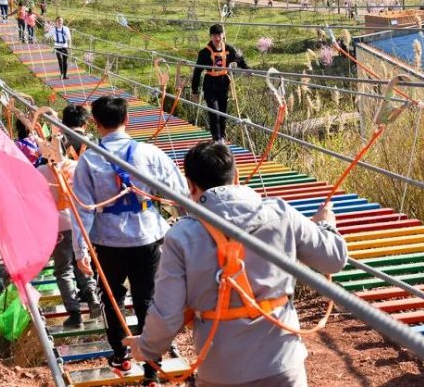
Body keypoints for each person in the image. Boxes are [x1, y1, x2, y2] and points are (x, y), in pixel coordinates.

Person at [123, 141, 347, 387]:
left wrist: (146, 348)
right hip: (282, 364)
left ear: (190, 186)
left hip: (220, 372)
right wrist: (326, 225)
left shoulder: (181, 236)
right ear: (237, 176)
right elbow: (333, 259)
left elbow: (167, 314)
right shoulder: (281, 213)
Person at [70, 96, 188, 381]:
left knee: (112, 298)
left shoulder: (89, 159)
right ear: (127, 120)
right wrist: (186, 225)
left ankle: (121, 355)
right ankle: (152, 367)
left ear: (95, 124)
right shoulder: (150, 153)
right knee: (147, 299)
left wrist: (80, 249)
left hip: (107, 240)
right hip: (148, 236)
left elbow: (82, 209)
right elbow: (179, 190)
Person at [37, 107, 101, 327]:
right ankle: (92, 297)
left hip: (58, 226)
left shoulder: (40, 173)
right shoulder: (76, 167)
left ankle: (74, 313)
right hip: (80, 221)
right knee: (83, 261)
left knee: (63, 269)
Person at [191, 24, 249, 143]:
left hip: (223, 84)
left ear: (223, 35)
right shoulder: (205, 52)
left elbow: (239, 59)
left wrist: (247, 69)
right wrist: (194, 91)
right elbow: (197, 71)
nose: (217, 38)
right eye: (214, 36)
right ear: (211, 37)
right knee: (214, 112)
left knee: (223, 114)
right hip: (210, 84)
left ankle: (221, 137)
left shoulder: (228, 49)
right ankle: (217, 139)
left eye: (219, 35)